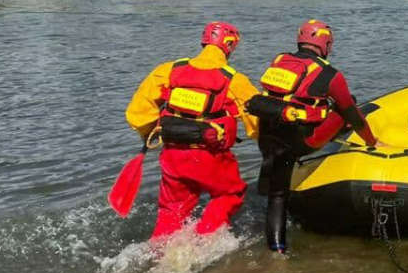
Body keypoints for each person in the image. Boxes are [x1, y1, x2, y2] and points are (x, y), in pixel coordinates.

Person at [245, 19, 380, 254]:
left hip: (267, 138)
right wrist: (371, 141)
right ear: (325, 44)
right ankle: (339, 136)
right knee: (348, 104)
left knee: (277, 197)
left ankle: (276, 251)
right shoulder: (330, 74)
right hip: (300, 142)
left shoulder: (279, 60)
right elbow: (352, 113)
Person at [125, 21, 259, 241]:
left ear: (204, 40)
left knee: (171, 210)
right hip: (211, 158)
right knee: (229, 194)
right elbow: (256, 123)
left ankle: (158, 251)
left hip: (172, 156)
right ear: (230, 46)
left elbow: (137, 113)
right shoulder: (234, 80)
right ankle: (204, 241)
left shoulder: (168, 70)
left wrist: (151, 132)